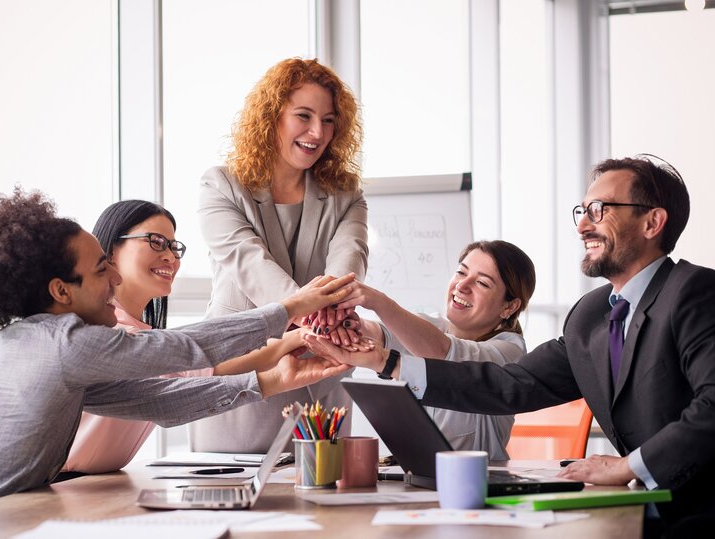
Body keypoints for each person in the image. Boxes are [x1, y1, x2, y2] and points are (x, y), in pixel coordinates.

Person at [306, 155, 715, 531]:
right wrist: (387, 362)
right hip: (635, 514)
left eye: (599, 210)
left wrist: (629, 465)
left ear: (652, 222)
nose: (582, 225)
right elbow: (508, 385)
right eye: (583, 211)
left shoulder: (695, 292)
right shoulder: (591, 315)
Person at [0, 188, 353, 517]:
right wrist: (291, 308)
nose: (116, 281)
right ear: (61, 291)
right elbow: (185, 348)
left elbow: (154, 401)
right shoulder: (64, 344)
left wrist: (269, 381)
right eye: (101, 268)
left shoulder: (45, 347)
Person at [192, 57, 368, 452]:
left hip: (319, 370)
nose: (316, 131)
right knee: (230, 501)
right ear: (273, 116)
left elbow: (350, 253)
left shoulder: (346, 193)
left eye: (328, 120)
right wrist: (312, 310)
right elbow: (248, 261)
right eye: (303, 116)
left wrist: (333, 305)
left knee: (322, 501)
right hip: (242, 369)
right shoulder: (221, 185)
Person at [63, 200, 309, 474]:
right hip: (62, 486)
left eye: (174, 246)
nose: (171, 256)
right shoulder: (106, 334)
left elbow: (199, 371)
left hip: (97, 485)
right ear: (109, 251)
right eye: (156, 242)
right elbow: (187, 382)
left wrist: (291, 342)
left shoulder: (141, 333)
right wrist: (289, 326)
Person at [340, 240, 535, 460]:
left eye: (482, 283)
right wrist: (349, 324)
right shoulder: (430, 328)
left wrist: (378, 301)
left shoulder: (509, 350)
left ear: (509, 307)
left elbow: (445, 353)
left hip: (477, 483)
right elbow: (381, 334)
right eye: (461, 272)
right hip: (417, 478)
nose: (462, 286)